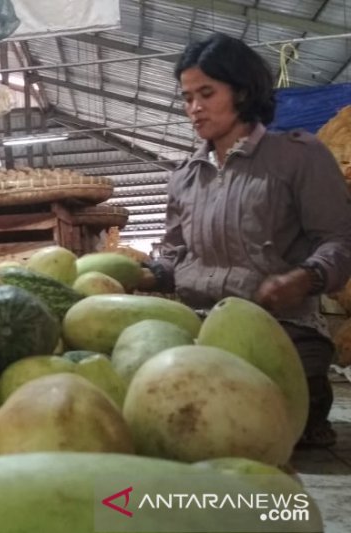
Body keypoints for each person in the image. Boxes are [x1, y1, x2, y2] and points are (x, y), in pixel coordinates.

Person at [144, 32, 351, 448]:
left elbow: (339, 241)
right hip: (200, 326)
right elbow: (174, 255)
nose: (194, 108)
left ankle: (310, 406)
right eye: (187, 98)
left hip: (284, 327)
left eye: (206, 93)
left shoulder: (298, 156)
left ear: (241, 92)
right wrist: (150, 273)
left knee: (276, 425)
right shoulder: (184, 177)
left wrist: (305, 278)